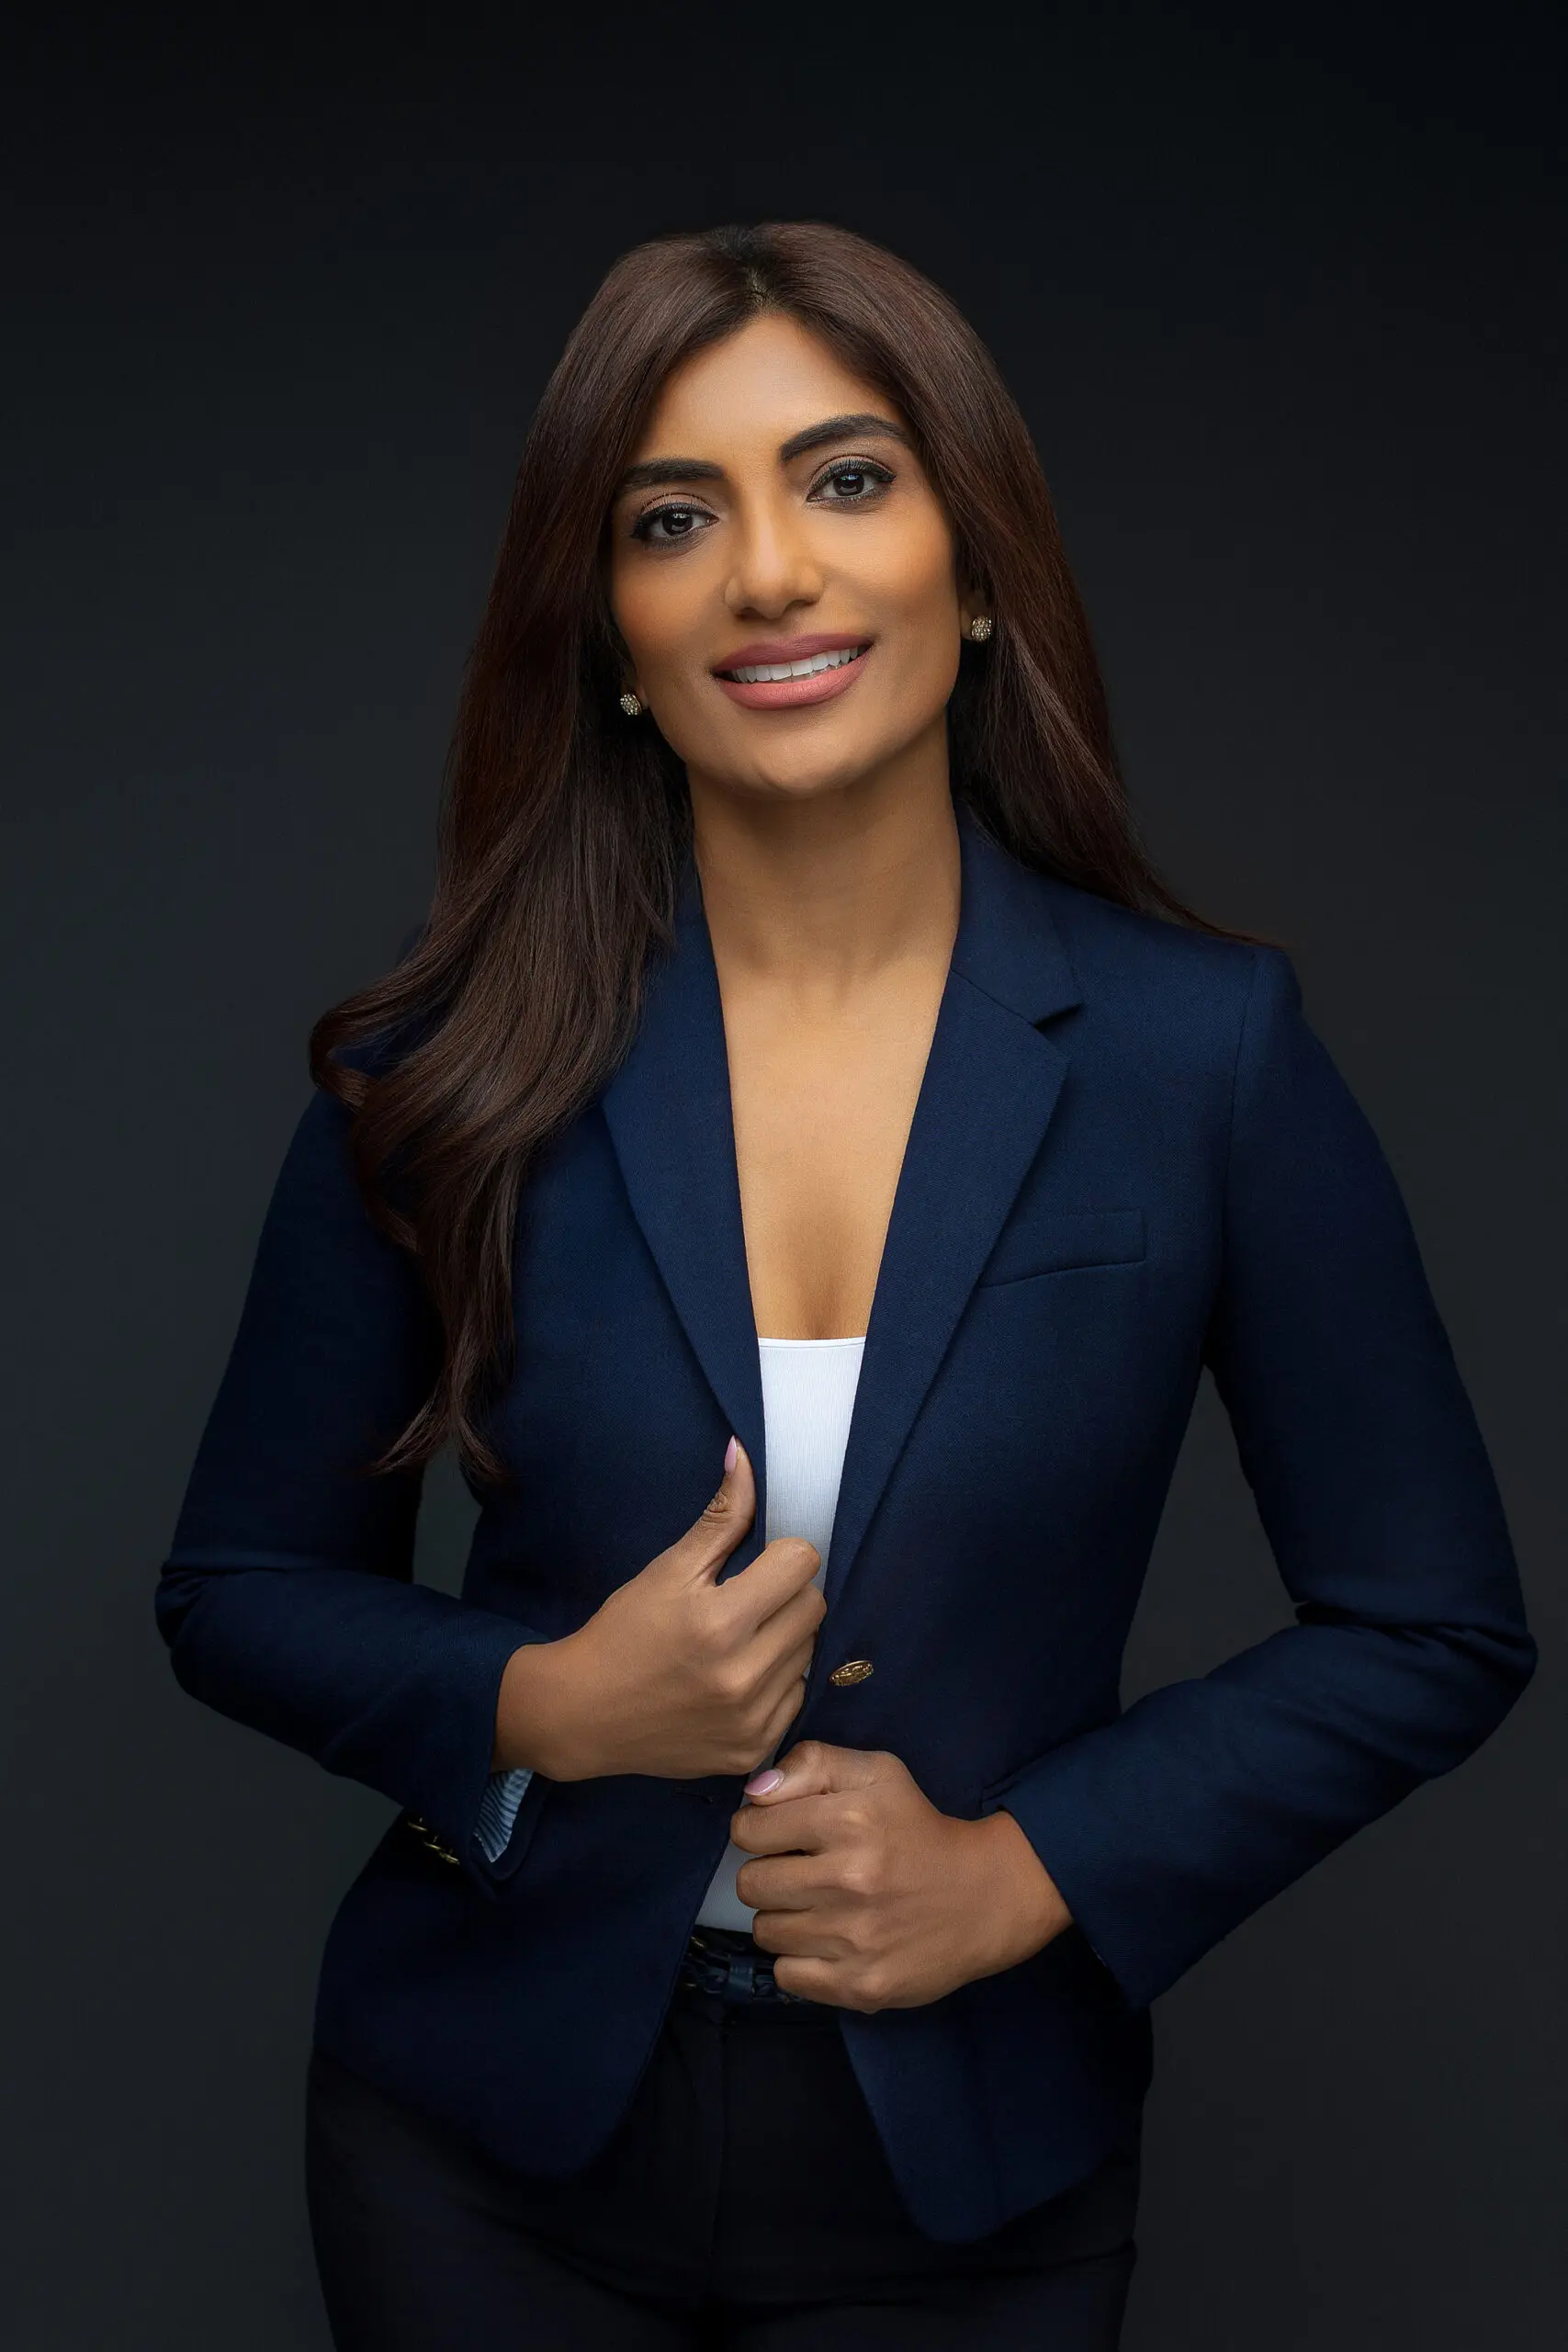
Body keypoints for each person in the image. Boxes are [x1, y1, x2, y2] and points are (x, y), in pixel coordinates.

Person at [155, 220, 1536, 2350]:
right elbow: (236, 1582)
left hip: (975, 2167)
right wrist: (545, 1705)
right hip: (476, 2142)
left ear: (974, 571)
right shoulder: (444, 1074)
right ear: (614, 638)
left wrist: (1026, 1866)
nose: (769, 572)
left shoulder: (1204, 1056)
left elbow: (1430, 1620)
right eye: (672, 518)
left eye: (847, 479)